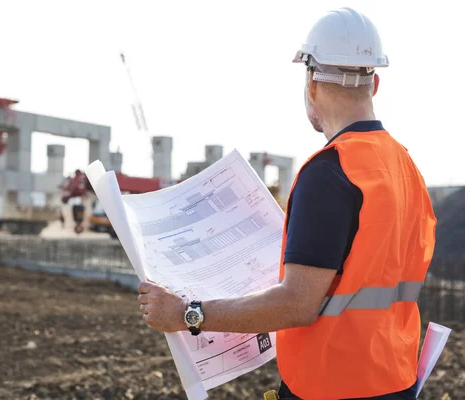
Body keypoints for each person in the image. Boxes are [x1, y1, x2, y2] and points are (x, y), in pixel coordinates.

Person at [136, 7, 436, 400]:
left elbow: (298, 304)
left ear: (311, 81)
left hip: (333, 388)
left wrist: (188, 314)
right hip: (394, 380)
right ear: (374, 82)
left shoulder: (330, 171)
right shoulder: (404, 165)